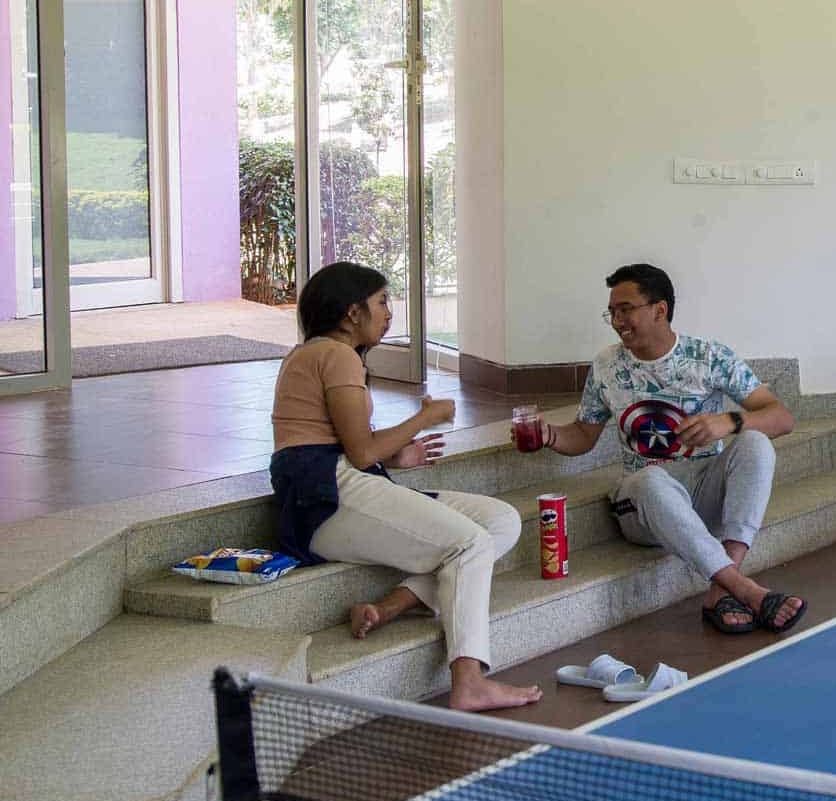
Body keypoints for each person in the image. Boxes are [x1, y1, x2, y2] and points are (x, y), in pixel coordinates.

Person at [267, 262, 539, 712]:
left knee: (500, 521)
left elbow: (349, 444)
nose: (389, 313)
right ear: (352, 312)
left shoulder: (314, 353)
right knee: (470, 543)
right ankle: (470, 680)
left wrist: (395, 456)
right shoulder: (336, 355)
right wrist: (424, 418)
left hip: (336, 486)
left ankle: (388, 608)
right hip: (326, 498)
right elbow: (359, 452)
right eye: (381, 302)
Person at [521, 263, 804, 635]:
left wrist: (729, 422)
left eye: (626, 309)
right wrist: (550, 436)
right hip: (643, 506)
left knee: (755, 442)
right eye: (612, 312)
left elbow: (782, 418)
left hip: (703, 492)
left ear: (659, 309)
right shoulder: (607, 365)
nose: (617, 321)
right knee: (649, 479)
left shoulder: (709, 357)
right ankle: (745, 590)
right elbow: (583, 435)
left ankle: (723, 587)